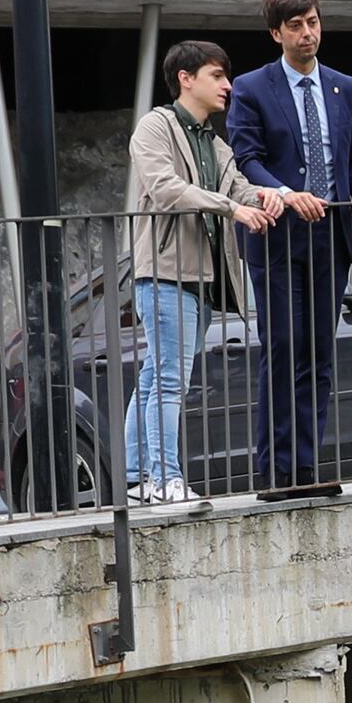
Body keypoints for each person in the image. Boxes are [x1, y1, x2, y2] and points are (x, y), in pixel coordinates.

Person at [224, 0, 352, 499]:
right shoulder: (251, 87)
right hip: (275, 236)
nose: (307, 33)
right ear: (276, 33)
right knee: (283, 348)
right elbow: (248, 159)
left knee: (318, 353)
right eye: (295, 25)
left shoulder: (346, 87)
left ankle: (307, 469)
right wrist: (289, 195)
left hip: (329, 235)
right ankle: (276, 471)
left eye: (312, 22)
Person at [122, 36, 264, 503]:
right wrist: (232, 209)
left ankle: (137, 477)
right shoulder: (155, 127)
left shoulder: (215, 143)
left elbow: (244, 190)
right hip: (165, 274)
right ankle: (164, 479)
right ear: (186, 79)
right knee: (168, 381)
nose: (228, 85)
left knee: (153, 377)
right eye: (217, 75)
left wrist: (280, 197)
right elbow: (165, 190)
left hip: (203, 281)